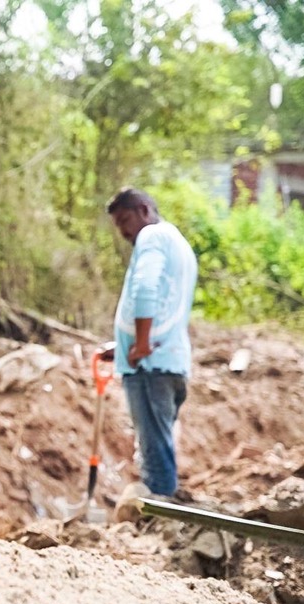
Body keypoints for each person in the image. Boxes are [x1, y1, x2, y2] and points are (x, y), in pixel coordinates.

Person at [100, 187, 197, 498]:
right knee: (159, 445)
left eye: (125, 220)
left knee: (154, 454)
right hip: (169, 359)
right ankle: (164, 514)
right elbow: (167, 306)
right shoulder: (177, 243)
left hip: (150, 365)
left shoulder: (152, 236)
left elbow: (145, 288)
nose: (124, 231)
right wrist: (124, 343)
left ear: (144, 210)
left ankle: (160, 522)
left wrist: (140, 344)